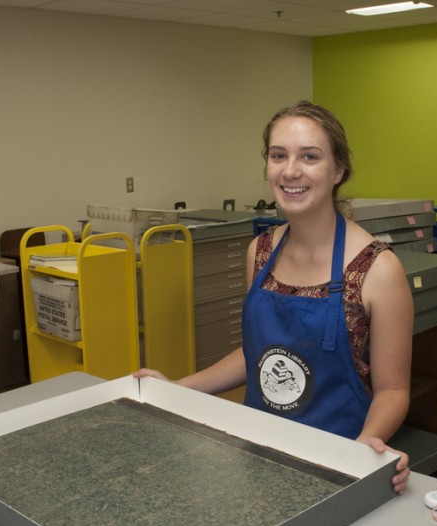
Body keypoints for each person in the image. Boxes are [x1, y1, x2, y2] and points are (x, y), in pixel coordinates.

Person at [137, 100, 412, 495]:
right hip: (258, 450)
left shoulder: (376, 270)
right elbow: (258, 355)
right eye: (278, 155)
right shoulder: (261, 251)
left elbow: (393, 391)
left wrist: (364, 448)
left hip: (335, 462)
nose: (290, 171)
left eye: (310, 157)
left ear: (338, 171)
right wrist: (179, 387)